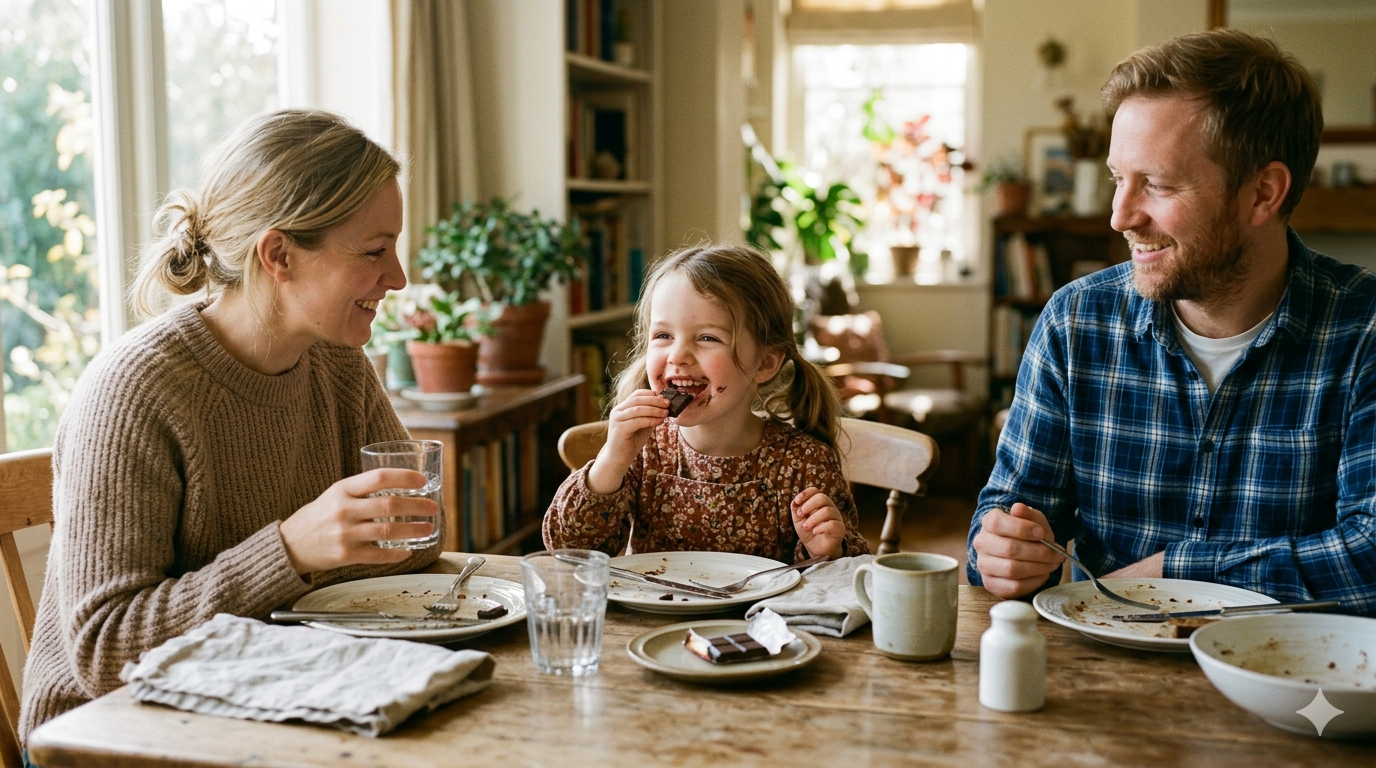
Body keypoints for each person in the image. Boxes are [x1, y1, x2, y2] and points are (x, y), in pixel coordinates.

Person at [19, 109, 441, 744]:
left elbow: (416, 540)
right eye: (375, 251)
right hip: (113, 738)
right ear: (279, 255)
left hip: (273, 700)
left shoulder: (338, 363)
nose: (399, 278)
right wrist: (292, 550)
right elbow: (105, 651)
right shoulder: (136, 389)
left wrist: (372, 536)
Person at [968, 29, 1376, 616]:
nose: (1120, 216)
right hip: (1104, 676)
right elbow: (1005, 519)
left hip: (1296, 689)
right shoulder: (1075, 322)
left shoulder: (1363, 333)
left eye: (1156, 184)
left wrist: (1176, 572)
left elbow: (1368, 560)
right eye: (1118, 179)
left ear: (1263, 192)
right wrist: (1002, 550)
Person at [543, 244, 870, 562]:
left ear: (766, 363)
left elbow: (847, 574)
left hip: (758, 619)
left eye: (707, 338)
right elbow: (570, 550)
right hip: (655, 617)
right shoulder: (643, 451)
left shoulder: (804, 462)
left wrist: (826, 551)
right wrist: (612, 460)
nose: (677, 356)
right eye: (663, 336)